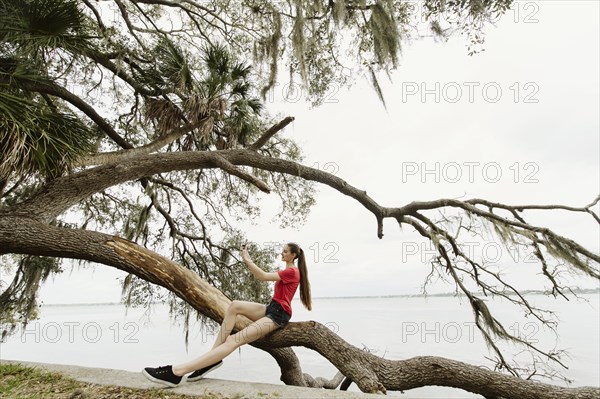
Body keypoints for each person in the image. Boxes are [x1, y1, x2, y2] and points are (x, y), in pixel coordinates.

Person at [142, 242, 312, 387]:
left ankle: (176, 372)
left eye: (284, 251)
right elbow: (265, 282)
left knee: (233, 340)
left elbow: (261, 276)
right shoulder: (287, 271)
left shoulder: (292, 272)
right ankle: (212, 358)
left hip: (278, 316)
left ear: (293, 255)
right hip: (271, 308)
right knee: (234, 306)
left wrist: (247, 259)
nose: (281, 253)